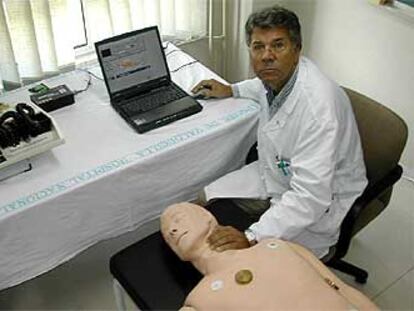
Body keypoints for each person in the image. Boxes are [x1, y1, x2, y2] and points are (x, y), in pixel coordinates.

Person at [191, 5, 367, 259]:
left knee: (259, 263)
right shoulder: (276, 78)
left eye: (278, 45)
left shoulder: (318, 110)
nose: (267, 56)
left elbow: (310, 197)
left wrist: (252, 236)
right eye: (258, 47)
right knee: (204, 199)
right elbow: (261, 84)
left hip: (322, 199)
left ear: (297, 50)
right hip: (279, 171)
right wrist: (232, 89)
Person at [160, 203, 378, 310]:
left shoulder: (279, 246)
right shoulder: (199, 300)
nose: (172, 231)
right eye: (168, 236)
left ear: (208, 217)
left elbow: (343, 289)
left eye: (178, 219)